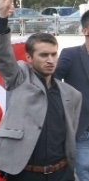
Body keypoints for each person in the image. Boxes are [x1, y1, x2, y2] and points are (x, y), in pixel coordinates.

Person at [0, 0, 81, 180]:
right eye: (44, 55)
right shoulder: (19, 77)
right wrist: (1, 17)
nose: (50, 60)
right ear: (29, 58)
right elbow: (3, 56)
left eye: (54, 54)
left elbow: (71, 136)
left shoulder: (72, 95)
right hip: (25, 174)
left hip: (62, 173)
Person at [55, 9, 89, 180]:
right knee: (84, 172)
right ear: (85, 30)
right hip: (83, 129)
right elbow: (51, 81)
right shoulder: (71, 54)